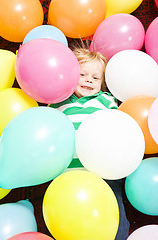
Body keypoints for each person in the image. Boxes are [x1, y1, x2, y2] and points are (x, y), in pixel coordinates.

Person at [49, 47, 130, 240]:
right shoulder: (58, 101)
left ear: (102, 84)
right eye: (82, 74)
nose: (88, 80)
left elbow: (118, 125)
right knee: (72, 222)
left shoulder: (106, 100)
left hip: (103, 173)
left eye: (95, 78)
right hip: (68, 174)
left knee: (116, 220)